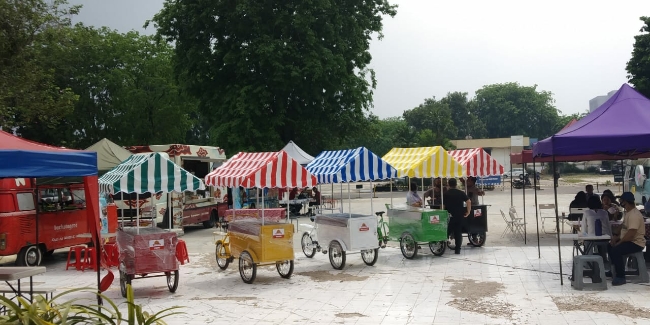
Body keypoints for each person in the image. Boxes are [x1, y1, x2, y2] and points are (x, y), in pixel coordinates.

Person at [607, 192, 646, 286]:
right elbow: (623, 226)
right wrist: (615, 237)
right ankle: (614, 269)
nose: (620, 202)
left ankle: (620, 276)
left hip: (636, 243)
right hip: (628, 240)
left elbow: (631, 234)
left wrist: (619, 242)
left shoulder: (634, 215)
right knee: (609, 246)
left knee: (616, 250)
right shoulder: (628, 213)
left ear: (626, 202)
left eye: (621, 201)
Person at [443, 178, 471, 254]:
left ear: (448, 184)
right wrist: (468, 211)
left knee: (447, 232)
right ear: (456, 184)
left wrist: (442, 213)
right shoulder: (460, 193)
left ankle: (442, 247)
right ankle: (457, 249)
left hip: (449, 215)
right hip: (459, 215)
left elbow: (443, 205)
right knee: (458, 232)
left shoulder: (446, 193)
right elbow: (468, 201)